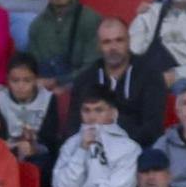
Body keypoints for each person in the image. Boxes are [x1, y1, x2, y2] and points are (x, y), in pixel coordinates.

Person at [71, 17, 166, 149]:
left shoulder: (150, 76)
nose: (113, 47)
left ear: (129, 41)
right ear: (98, 46)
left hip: (137, 149)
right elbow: (73, 128)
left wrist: (116, 144)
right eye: (106, 42)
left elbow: (152, 129)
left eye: (119, 40)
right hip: (93, 150)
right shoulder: (84, 80)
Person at [58, 92, 149, 187]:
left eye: (98, 110)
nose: (92, 116)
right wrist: (81, 150)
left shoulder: (129, 148)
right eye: (86, 110)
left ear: (113, 113)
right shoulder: (70, 145)